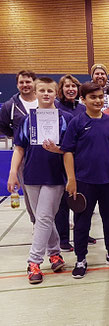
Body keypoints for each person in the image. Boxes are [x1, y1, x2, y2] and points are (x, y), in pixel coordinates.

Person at [61, 82, 109, 279]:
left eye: (100, 97)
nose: (98, 100)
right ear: (83, 100)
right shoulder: (77, 122)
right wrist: (71, 179)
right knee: (82, 222)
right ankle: (81, 259)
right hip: (84, 181)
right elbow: (68, 152)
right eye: (93, 97)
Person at [7, 77, 72, 284]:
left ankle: (33, 261)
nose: (46, 94)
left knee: (43, 218)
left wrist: (58, 150)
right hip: (31, 176)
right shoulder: (27, 120)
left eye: (50, 91)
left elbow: (71, 150)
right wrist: (12, 172)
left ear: (56, 94)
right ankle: (54, 253)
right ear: (35, 93)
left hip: (55, 176)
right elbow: (19, 148)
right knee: (44, 218)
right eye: (41, 90)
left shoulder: (66, 118)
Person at [0, 70, 38, 224]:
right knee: (29, 191)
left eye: (28, 81)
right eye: (21, 82)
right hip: (25, 156)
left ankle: (58, 219)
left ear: (34, 82)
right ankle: (36, 221)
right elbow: (3, 126)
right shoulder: (10, 105)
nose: (25, 85)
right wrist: (18, 138)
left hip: (49, 153)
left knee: (55, 188)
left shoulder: (46, 100)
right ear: (17, 85)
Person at [54, 74, 87, 251]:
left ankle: (82, 233)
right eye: (67, 86)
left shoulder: (83, 109)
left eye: (74, 86)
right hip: (61, 161)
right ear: (61, 90)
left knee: (80, 200)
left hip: (81, 161)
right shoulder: (56, 109)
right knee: (63, 202)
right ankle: (64, 238)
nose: (71, 89)